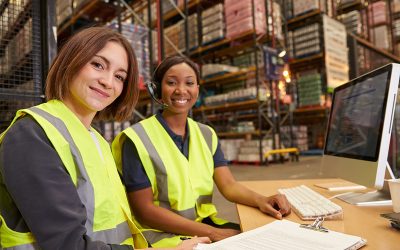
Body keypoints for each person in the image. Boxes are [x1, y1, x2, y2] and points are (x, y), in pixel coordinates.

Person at [0, 27, 209, 250]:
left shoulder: (97, 141)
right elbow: (69, 245)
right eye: (98, 65)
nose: (108, 82)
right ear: (71, 60)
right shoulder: (31, 136)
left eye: (119, 76)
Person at [112, 55, 291, 248]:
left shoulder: (206, 134)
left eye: (189, 83)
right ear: (157, 89)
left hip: (201, 225)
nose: (181, 90)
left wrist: (261, 200)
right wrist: (214, 233)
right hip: (160, 237)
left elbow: (229, 185)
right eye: (171, 82)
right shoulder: (136, 139)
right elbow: (144, 211)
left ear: (197, 88)